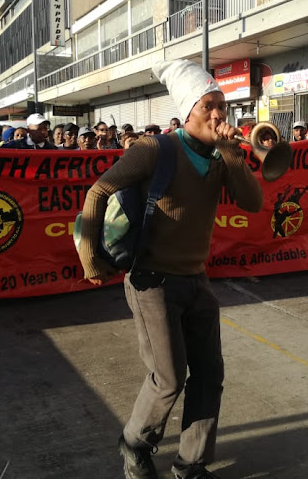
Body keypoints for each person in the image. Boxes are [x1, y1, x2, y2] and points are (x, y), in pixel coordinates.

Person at [77, 59, 263, 479]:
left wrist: (232, 150)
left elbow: (252, 202)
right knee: (168, 377)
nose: (218, 115)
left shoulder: (219, 159)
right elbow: (98, 191)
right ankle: (135, 443)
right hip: (152, 282)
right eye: (207, 106)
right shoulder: (155, 149)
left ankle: (191, 464)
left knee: (209, 375)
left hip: (197, 280)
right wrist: (90, 258)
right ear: (188, 110)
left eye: (222, 106)